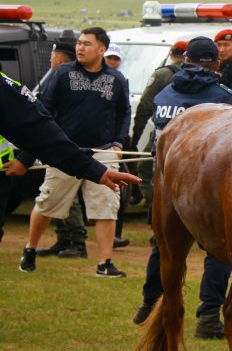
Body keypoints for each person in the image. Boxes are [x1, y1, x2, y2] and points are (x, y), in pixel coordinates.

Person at [130, 37, 232, 338]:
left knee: (163, 246)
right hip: (207, 186)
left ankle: (149, 304)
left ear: (185, 60)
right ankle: (207, 316)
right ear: (217, 64)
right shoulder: (225, 98)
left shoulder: (165, 93)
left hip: (166, 182)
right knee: (219, 250)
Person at [18, 27, 132, 277]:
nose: (80, 48)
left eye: (87, 44)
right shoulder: (61, 74)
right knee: (47, 203)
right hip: (64, 151)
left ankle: (105, 263)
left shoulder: (117, 79)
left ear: (102, 50)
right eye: (79, 43)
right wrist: (47, 143)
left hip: (102, 152)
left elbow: (124, 112)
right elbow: (44, 109)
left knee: (106, 207)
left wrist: (118, 143)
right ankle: (30, 249)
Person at [0, 74, 139, 214]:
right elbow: (41, 126)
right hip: (69, 157)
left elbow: (40, 131)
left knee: (102, 211)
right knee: (48, 207)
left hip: (86, 154)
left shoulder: (116, 78)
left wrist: (95, 168)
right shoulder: (63, 74)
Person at [22, 34, 90, 258]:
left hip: (61, 141)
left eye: (52, 56)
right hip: (54, 140)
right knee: (57, 192)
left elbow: (47, 110)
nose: (51, 60)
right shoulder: (58, 76)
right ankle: (63, 238)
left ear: (59, 58)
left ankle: (77, 240)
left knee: (64, 194)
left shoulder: (61, 76)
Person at [130, 40, 187, 208]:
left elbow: (145, 106)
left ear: (171, 54)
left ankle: (154, 206)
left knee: (147, 167)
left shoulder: (162, 74)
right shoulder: (204, 76)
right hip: (192, 133)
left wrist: (135, 140)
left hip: (163, 131)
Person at [103, 43, 132, 249]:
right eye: (109, 58)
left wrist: (119, 141)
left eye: (116, 59)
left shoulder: (121, 80)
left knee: (119, 189)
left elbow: (125, 111)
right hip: (96, 141)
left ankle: (115, 235)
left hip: (115, 141)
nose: (112, 62)